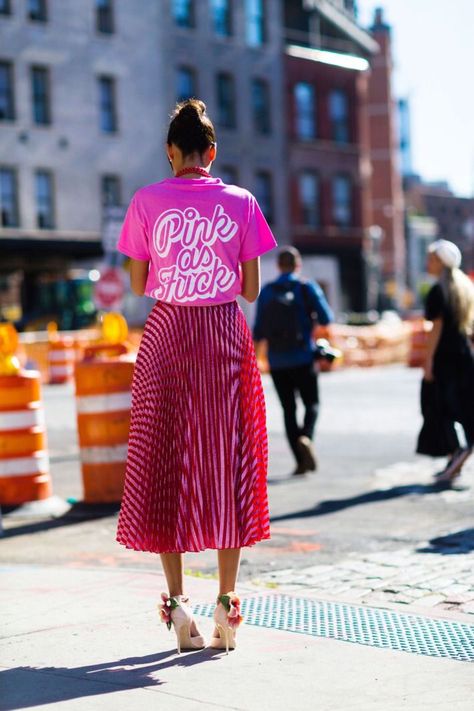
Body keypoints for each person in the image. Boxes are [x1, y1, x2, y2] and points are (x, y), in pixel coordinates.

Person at [115, 99, 277, 653]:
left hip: (167, 336)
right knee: (229, 459)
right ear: (213, 152)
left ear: (170, 153)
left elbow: (139, 284)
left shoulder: (145, 201)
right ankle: (226, 609)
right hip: (223, 336)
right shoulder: (241, 201)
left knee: (165, 458)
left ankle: (178, 606)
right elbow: (251, 290)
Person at [253, 247, 333, 476]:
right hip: (303, 357)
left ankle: (300, 461)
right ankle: (306, 436)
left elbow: (258, 330)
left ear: (278, 266)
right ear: (298, 265)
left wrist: (257, 360)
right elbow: (326, 317)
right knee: (312, 404)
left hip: (277, 361)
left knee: (288, 410)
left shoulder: (267, 291)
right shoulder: (306, 287)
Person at [418, 239, 474, 484]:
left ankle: (458, 450)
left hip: (445, 358)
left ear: (440, 262)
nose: (427, 263)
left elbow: (436, 328)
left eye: (431, 258)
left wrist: (428, 359)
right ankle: (455, 458)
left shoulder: (438, 290)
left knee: (438, 405)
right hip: (463, 356)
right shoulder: (464, 287)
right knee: (461, 404)